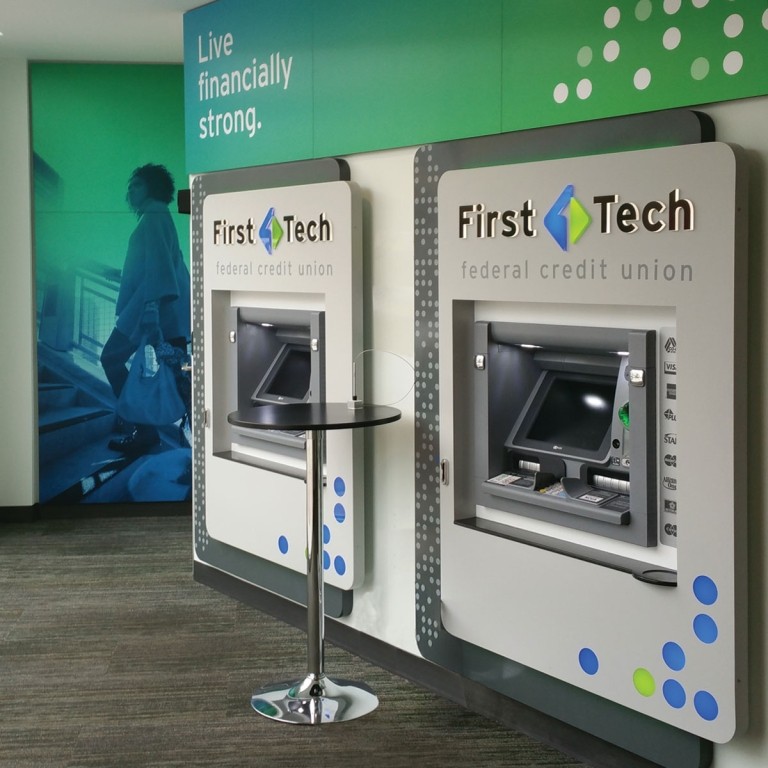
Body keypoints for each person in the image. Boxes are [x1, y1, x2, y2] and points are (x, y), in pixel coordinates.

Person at [101, 164, 191, 453]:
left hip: (151, 308)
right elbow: (157, 263)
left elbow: (161, 266)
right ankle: (166, 435)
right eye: (130, 185)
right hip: (162, 308)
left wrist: (151, 312)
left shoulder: (153, 214)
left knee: (111, 358)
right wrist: (122, 277)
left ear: (152, 187)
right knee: (179, 378)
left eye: (137, 184)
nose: (131, 190)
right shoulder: (156, 215)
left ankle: (146, 431)